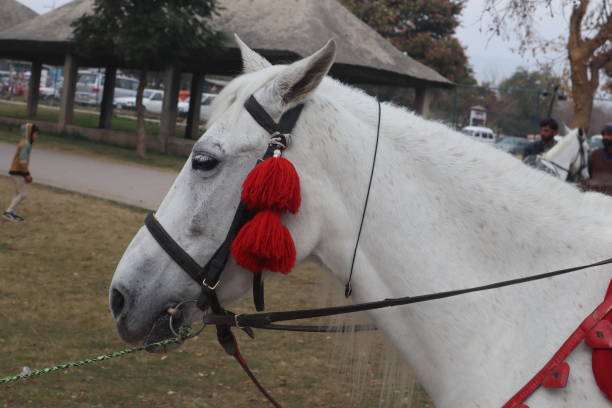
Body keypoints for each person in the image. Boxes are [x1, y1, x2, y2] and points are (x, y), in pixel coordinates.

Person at [3, 123, 38, 222]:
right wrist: (27, 174)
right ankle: (8, 212)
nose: (36, 136)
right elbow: (22, 160)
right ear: (30, 133)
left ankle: (12, 213)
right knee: (23, 194)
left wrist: (26, 172)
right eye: (35, 133)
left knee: (17, 193)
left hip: (17, 171)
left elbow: (23, 161)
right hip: (17, 172)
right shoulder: (25, 144)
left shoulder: (25, 143)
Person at [586, 122, 612, 193]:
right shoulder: (595, 154)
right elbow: (587, 174)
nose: (605, 137)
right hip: (591, 196)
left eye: (609, 135)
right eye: (604, 135)